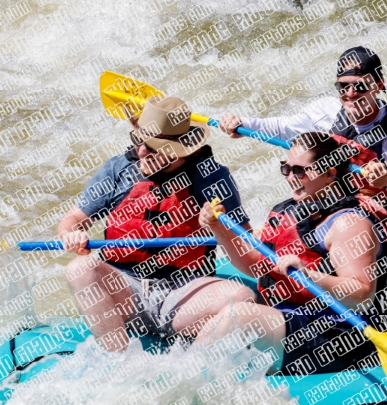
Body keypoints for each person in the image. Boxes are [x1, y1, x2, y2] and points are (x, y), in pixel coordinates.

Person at [57, 96, 254, 352]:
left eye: (152, 147)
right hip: (126, 289)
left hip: (184, 293)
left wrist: (219, 227)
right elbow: (71, 220)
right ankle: (119, 364)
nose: (141, 152)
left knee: (241, 298)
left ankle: (193, 367)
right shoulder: (119, 169)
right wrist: (70, 234)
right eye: (139, 141)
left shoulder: (211, 176)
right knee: (80, 269)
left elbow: (245, 242)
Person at [195, 132, 387, 376]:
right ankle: (193, 380)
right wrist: (218, 229)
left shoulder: (348, 224)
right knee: (215, 317)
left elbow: (363, 294)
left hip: (337, 335)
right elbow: (254, 266)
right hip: (291, 318)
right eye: (287, 169)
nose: (292, 178)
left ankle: (202, 384)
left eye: (300, 170)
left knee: (238, 317)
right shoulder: (288, 211)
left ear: (329, 173)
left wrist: (308, 274)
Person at [217, 47, 387, 220]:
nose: (351, 94)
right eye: (343, 87)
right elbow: (284, 128)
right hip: (328, 206)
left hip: (374, 216)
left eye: (361, 86)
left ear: (378, 85)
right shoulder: (324, 111)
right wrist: (243, 124)